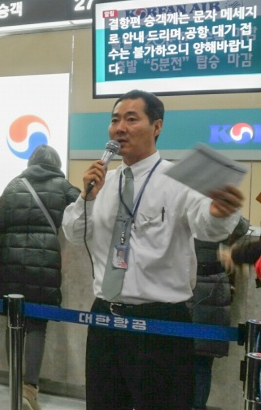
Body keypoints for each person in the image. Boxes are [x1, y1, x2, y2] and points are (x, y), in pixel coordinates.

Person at [61, 89, 244, 409]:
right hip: (105, 317)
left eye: (131, 119)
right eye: (115, 120)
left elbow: (208, 227)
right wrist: (87, 197)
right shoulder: (104, 183)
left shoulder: (180, 180)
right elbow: (74, 233)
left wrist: (220, 212)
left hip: (160, 321)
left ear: (156, 126)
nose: (120, 128)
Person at [0, 144, 81, 410]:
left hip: (11, 261)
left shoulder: (13, 184)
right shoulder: (63, 186)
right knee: (36, 325)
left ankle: (14, 384)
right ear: (56, 164)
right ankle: (30, 389)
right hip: (44, 263)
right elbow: (83, 209)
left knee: (13, 322)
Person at [189, 217, 248, 410]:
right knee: (203, 363)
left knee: (183, 361)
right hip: (214, 286)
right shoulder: (220, 209)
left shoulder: (184, 206)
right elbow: (242, 225)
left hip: (186, 284)